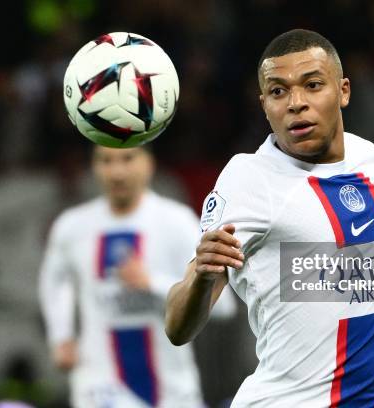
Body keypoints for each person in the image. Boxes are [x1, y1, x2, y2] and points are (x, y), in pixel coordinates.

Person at [165, 29, 374, 407]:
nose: (296, 103)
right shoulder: (248, 179)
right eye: (278, 92)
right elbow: (178, 328)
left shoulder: (369, 159)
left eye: (312, 85)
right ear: (264, 105)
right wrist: (202, 275)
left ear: (343, 91)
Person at [39, 145, 235, 408]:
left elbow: (223, 306)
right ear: (94, 167)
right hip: (100, 386)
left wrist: (152, 283)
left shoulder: (177, 221)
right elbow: (55, 281)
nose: (117, 172)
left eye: (128, 158)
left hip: (172, 390)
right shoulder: (72, 226)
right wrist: (60, 335)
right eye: (106, 161)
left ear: (149, 163)